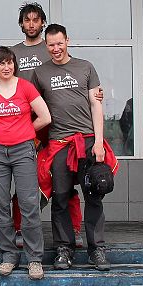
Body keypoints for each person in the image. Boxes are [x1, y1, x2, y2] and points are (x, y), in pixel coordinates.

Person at [32, 24, 117, 272]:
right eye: (51, 45)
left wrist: (99, 142)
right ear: (45, 46)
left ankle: (96, 249)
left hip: (88, 141)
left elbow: (96, 104)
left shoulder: (85, 67)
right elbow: (35, 106)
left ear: (68, 40)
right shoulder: (40, 73)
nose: (56, 49)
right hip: (58, 144)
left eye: (60, 43)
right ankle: (64, 248)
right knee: (60, 197)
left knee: (94, 195)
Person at [10, 2, 84, 248]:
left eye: (36, 19)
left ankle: (75, 230)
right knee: (27, 180)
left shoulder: (52, 48)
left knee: (66, 183)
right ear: (21, 24)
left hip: (58, 127)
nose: (31, 24)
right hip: (25, 126)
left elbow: (73, 79)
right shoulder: (13, 53)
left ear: (42, 23)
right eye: (27, 20)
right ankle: (19, 228)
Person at [0, 46, 51, 280]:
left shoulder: (26, 87)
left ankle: (34, 259)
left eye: (10, 62)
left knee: (29, 204)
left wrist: (26, 132)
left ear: (14, 65)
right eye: (1, 63)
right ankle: (9, 255)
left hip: (23, 151)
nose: (6, 67)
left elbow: (45, 117)